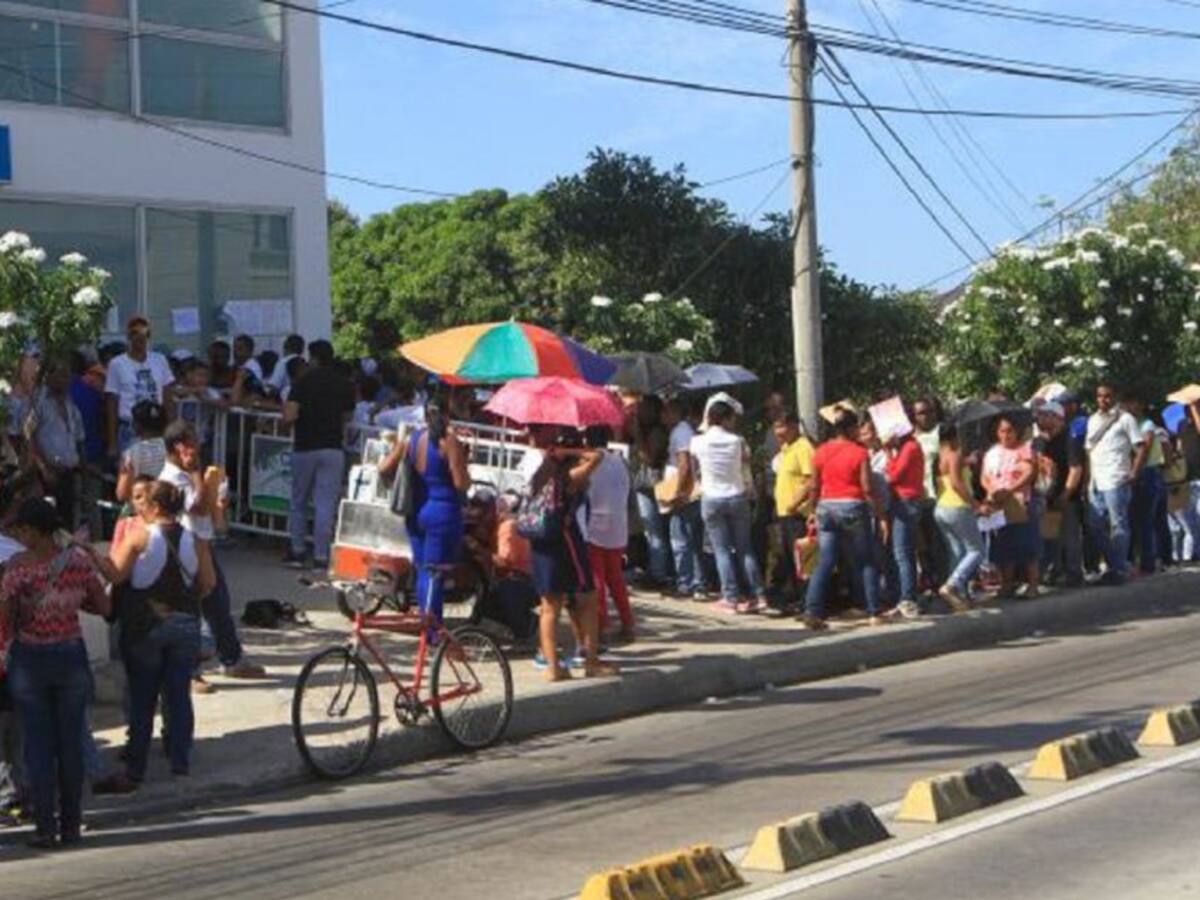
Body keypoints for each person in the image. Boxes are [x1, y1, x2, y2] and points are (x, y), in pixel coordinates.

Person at [0, 498, 109, 848]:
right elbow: (103, 606)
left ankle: (45, 827)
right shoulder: (77, 562)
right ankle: (71, 824)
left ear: (35, 531)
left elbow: (4, 619)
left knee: (38, 746)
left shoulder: (18, 568)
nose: (19, 536)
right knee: (70, 744)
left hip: (31, 660)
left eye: (22, 530)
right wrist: (70, 600)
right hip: (71, 657)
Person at [90, 482, 215, 786]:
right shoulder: (197, 540)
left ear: (157, 507)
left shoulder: (140, 536)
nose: (141, 507)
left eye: (146, 502)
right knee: (178, 695)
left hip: (146, 626)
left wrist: (92, 554)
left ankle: (135, 768)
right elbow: (208, 583)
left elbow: (115, 573)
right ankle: (180, 762)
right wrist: (185, 601)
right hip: (185, 626)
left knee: (142, 699)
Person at [159, 422, 265, 685]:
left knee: (217, 603)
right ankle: (190, 670)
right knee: (191, 609)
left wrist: (218, 499)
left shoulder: (185, 473)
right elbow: (196, 506)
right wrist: (197, 474)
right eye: (191, 442)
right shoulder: (172, 477)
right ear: (179, 447)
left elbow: (208, 508)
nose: (197, 448)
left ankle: (232, 659)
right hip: (186, 547)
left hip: (202, 542)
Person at [523, 426, 617, 682]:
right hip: (564, 542)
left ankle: (553, 667)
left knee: (548, 607)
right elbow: (598, 456)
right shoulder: (572, 476)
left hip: (540, 542)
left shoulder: (542, 472)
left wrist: (555, 452)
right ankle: (591, 661)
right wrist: (574, 451)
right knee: (588, 599)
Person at [380, 399, 469, 625]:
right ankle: (432, 631)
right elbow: (461, 483)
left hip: (416, 511)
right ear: (448, 416)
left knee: (422, 570)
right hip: (443, 512)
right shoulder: (449, 441)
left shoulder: (412, 439)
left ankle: (424, 625)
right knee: (435, 574)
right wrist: (465, 461)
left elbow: (383, 468)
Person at [801, 410, 886, 630]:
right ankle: (874, 611)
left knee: (825, 561)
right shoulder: (860, 453)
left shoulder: (821, 451)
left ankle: (812, 610)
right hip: (853, 507)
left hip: (826, 508)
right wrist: (879, 514)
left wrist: (812, 511)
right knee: (865, 560)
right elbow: (867, 488)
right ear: (851, 429)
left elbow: (814, 486)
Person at [684, 401, 766, 613]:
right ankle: (758, 594)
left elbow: (694, 470)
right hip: (737, 496)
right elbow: (746, 464)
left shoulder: (697, 441)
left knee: (721, 550)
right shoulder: (737, 441)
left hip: (712, 497)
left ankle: (730, 597)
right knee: (745, 548)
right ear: (726, 419)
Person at [282, 340, 356, 569]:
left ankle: (297, 552)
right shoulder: (344, 383)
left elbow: (290, 415)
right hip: (333, 447)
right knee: (325, 505)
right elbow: (348, 416)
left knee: (299, 502)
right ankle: (321, 557)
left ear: (313, 357)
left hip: (305, 446)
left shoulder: (302, 381)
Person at [1085, 384, 1149, 585]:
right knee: (1094, 525)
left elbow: (1141, 447)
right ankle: (1117, 563)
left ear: (1115, 397)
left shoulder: (1125, 418)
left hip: (1116, 478)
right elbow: (1089, 450)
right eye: (1100, 396)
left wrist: (1134, 472)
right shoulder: (1092, 420)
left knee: (1118, 524)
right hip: (1097, 481)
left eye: (1107, 396)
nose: (1103, 400)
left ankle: (1118, 569)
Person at [580, 426, 635, 641]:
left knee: (597, 580)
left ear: (587, 441)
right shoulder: (620, 461)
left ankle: (600, 626)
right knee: (616, 579)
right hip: (618, 527)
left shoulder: (588, 462)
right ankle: (627, 623)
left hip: (595, 526)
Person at [22, 357, 85, 530]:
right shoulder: (39, 401)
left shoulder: (70, 403)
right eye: (61, 374)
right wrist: (44, 467)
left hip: (68, 472)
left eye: (67, 375)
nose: (65, 379)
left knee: (67, 520)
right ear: (49, 377)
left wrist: (82, 465)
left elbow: (78, 437)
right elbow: (29, 434)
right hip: (48, 473)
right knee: (48, 520)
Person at [982, 414, 1040, 600]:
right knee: (1003, 544)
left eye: (1009, 431)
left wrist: (1010, 490)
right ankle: (1007, 584)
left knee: (1026, 545)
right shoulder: (992, 453)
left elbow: (1029, 472)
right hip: (998, 502)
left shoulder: (1024, 450)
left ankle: (1032, 585)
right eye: (1002, 431)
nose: (1006, 435)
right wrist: (992, 490)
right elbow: (985, 476)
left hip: (1020, 501)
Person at [104, 317, 174, 457]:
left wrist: (170, 429)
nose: (139, 337)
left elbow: (167, 395)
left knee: (156, 467)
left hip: (156, 425)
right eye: (134, 332)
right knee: (132, 468)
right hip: (131, 427)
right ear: (129, 336)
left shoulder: (159, 360)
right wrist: (112, 442)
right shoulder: (117, 364)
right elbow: (112, 402)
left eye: (144, 333)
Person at [661, 398, 704, 599]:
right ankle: (696, 582)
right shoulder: (685, 431)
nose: (663, 417)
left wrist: (678, 491)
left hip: (684, 492)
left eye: (666, 413)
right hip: (689, 490)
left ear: (674, 413)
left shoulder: (680, 432)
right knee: (691, 538)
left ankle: (686, 583)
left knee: (680, 538)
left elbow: (684, 463)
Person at [933, 425, 979, 612]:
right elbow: (956, 482)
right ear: (954, 437)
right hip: (958, 506)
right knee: (976, 550)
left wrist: (968, 461)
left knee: (957, 552)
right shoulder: (954, 454)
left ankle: (957, 597)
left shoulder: (938, 456)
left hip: (941, 507)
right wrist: (974, 504)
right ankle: (952, 585)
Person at [772, 412, 815, 609]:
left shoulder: (804, 447)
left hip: (798, 514)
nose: (778, 432)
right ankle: (798, 598)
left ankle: (808, 601)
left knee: (802, 561)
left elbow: (811, 479)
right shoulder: (786, 448)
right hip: (784, 514)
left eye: (782, 427)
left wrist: (795, 504)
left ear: (794, 426)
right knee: (790, 559)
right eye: (776, 427)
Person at [629, 396, 671, 589]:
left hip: (651, 485)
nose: (640, 412)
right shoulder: (648, 431)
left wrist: (638, 437)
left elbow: (650, 459)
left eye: (644, 408)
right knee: (651, 530)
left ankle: (658, 573)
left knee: (654, 530)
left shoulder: (657, 433)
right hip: (643, 484)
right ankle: (655, 568)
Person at [884, 425, 926, 619]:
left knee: (903, 552)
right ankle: (904, 597)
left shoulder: (910, 447)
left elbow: (894, 476)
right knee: (901, 551)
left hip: (907, 501)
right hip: (902, 501)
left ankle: (908, 599)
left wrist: (887, 453)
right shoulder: (904, 448)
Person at [1123, 396, 1165, 575]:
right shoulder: (1127, 424)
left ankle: (1148, 562)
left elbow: (1145, 448)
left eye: (1131, 402)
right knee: (1132, 519)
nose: (1127, 406)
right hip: (1135, 473)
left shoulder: (1146, 424)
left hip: (1147, 473)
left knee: (1146, 519)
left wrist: (1135, 469)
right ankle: (1133, 559)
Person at [912, 397, 947, 590]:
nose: (925, 416)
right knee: (921, 544)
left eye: (929, 411)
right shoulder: (910, 438)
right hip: (916, 496)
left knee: (937, 543)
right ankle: (928, 579)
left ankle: (941, 582)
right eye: (920, 413)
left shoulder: (942, 433)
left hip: (937, 495)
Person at [115, 400, 168, 504]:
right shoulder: (175, 450)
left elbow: (122, 494)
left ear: (136, 425)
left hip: (142, 508)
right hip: (169, 508)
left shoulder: (130, 454)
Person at [268, 333, 306, 398]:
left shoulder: (283, 362)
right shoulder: (304, 362)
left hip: (286, 398)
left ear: (286, 346)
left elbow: (273, 387)